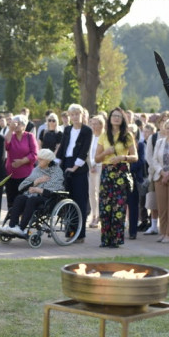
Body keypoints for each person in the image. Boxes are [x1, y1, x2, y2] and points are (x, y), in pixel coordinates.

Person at [0, 149, 64, 236]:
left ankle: (21, 228)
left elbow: (55, 191)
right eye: (38, 158)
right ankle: (12, 226)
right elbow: (21, 187)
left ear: (48, 161)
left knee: (32, 200)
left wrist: (38, 190)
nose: (38, 160)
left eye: (41, 159)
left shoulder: (56, 172)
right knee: (20, 198)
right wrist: (36, 182)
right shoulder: (37, 169)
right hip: (33, 195)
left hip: (49, 199)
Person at [97, 107, 137, 248]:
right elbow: (96, 158)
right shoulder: (103, 135)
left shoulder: (127, 136)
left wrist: (123, 157)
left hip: (121, 172)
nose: (116, 118)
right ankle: (105, 239)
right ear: (110, 118)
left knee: (118, 207)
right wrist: (106, 152)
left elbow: (135, 157)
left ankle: (116, 239)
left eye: (119, 116)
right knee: (105, 207)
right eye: (114, 116)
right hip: (107, 172)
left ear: (123, 119)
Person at [56, 103, 93, 243]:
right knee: (68, 200)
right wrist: (55, 162)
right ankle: (70, 231)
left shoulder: (87, 131)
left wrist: (74, 168)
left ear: (82, 115)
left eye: (77, 114)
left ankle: (80, 234)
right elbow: (62, 148)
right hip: (66, 164)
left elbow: (84, 151)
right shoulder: (67, 130)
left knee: (80, 201)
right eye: (72, 115)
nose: (75, 117)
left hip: (79, 168)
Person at [147, 117, 169, 244]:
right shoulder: (160, 142)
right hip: (160, 178)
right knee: (162, 208)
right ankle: (162, 232)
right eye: (167, 128)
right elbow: (154, 160)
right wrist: (162, 172)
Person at [4, 114, 38, 208]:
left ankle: (23, 221)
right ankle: (12, 221)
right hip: (11, 174)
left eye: (17, 124)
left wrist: (22, 161)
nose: (15, 126)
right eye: (13, 124)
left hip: (26, 175)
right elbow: (6, 146)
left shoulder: (29, 136)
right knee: (11, 202)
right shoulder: (11, 135)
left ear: (24, 125)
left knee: (24, 201)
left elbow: (34, 154)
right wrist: (10, 130)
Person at [86, 114, 105, 229]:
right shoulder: (91, 136)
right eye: (92, 123)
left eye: (95, 123)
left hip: (100, 167)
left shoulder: (104, 137)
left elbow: (103, 154)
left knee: (100, 192)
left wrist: (95, 164)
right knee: (91, 193)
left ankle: (100, 216)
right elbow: (88, 154)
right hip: (90, 168)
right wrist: (90, 164)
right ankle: (94, 215)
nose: (93, 126)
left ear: (101, 125)